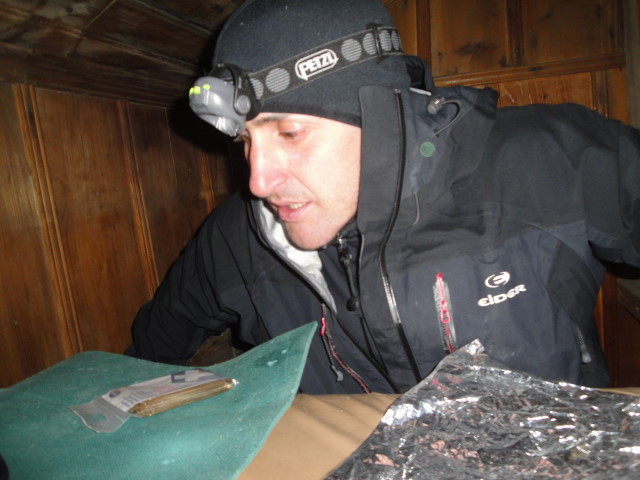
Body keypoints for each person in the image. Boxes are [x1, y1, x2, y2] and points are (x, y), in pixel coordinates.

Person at [126, 0, 640, 394]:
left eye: (290, 133)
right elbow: (150, 353)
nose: (257, 181)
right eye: (245, 140)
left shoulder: (549, 161)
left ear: (380, 115)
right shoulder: (236, 238)